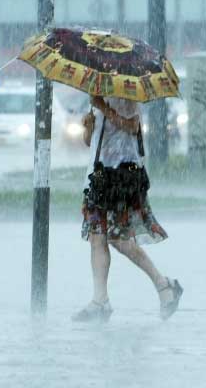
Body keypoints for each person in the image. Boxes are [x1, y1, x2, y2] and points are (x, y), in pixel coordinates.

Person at [73, 95, 183, 323]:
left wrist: (104, 108)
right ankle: (100, 300)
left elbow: (133, 127)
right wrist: (88, 127)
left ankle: (163, 285)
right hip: (97, 177)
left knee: (120, 241)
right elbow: (90, 142)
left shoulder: (126, 92)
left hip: (120, 176)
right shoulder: (97, 93)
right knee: (97, 238)